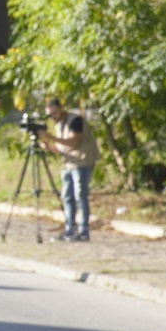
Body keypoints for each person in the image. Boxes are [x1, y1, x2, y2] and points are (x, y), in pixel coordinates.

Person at [39, 98, 100, 242]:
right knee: (67, 196)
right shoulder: (59, 125)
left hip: (82, 162)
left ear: (61, 108)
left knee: (80, 196)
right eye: (50, 114)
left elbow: (73, 141)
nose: (53, 116)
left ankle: (83, 231)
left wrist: (50, 136)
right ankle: (70, 229)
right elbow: (62, 147)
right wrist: (48, 147)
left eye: (55, 112)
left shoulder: (75, 121)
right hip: (68, 163)